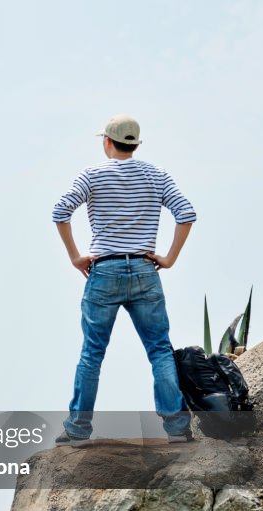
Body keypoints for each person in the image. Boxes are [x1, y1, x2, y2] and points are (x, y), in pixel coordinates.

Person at [51, 114, 195, 446]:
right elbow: (186, 213)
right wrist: (169, 258)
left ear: (107, 141)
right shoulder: (156, 175)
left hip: (104, 271)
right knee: (159, 349)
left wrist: (76, 256)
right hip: (145, 270)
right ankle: (176, 429)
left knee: (92, 353)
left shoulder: (92, 175)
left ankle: (78, 429)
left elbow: (60, 212)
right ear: (136, 144)